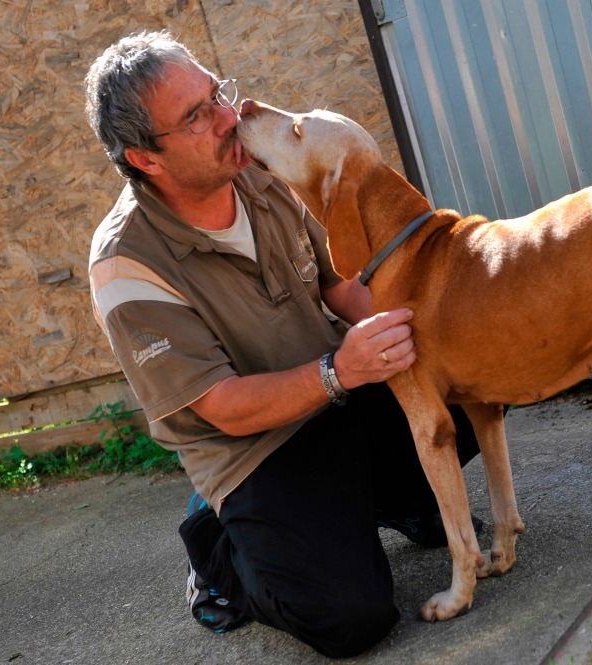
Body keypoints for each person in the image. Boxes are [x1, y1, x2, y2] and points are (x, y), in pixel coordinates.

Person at [83, 31, 481, 658]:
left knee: (478, 369)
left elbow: (335, 283)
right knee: (351, 619)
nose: (228, 118)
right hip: (259, 449)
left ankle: (387, 501)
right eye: (197, 116)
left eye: (216, 95)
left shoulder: (255, 171)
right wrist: (338, 372)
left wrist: (436, 314)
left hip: (340, 392)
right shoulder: (126, 268)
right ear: (144, 158)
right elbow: (221, 406)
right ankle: (220, 557)